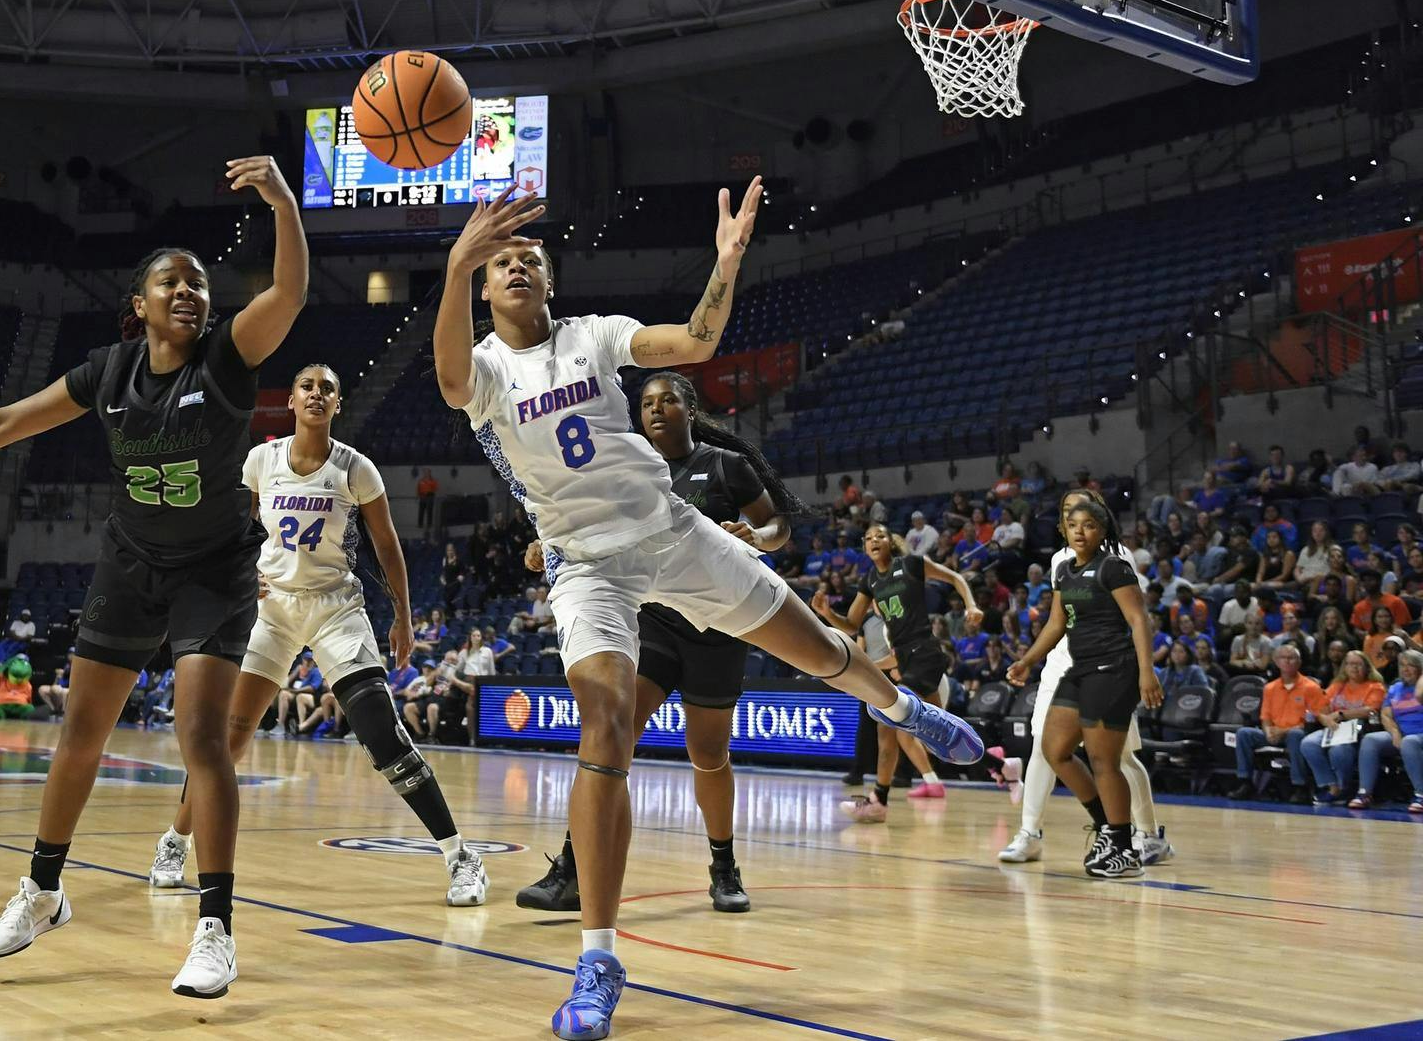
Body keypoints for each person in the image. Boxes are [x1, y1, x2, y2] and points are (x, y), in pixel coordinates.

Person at [431, 184, 980, 1041]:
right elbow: (449, 376)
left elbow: (695, 340)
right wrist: (459, 258)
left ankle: (905, 707)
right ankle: (599, 961)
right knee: (605, 725)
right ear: (483, 286)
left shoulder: (594, 336)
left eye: (529, 257)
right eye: (502, 262)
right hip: (588, 569)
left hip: (672, 534)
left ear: (550, 281)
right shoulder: (488, 369)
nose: (518, 264)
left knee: (819, 648)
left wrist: (725, 263)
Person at [0, 155, 304, 999]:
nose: (190, 292)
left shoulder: (225, 357)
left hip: (212, 573)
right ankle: (41, 889)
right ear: (138, 305)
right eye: (170, 283)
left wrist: (285, 201)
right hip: (130, 564)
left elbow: (286, 294)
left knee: (203, 741)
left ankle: (214, 927)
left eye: (200, 284)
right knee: (79, 735)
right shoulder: (106, 372)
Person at [998, 489, 1170, 868]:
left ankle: (1128, 845)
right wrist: (1026, 660)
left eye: (1087, 523)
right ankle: (1104, 828)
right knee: (1054, 748)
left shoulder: (1115, 564)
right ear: (1062, 527)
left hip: (1113, 667)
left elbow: (1139, 620)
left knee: (1108, 759)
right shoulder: (1063, 567)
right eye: (1071, 521)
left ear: (1100, 526)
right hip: (1077, 666)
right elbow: (1057, 622)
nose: (1079, 529)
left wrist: (1147, 672)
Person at [816, 522, 983, 821]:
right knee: (936, 736)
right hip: (905, 658)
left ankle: (878, 800)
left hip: (925, 652)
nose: (873, 540)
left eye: (879, 535)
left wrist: (971, 605)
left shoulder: (911, 564)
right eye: (867, 538)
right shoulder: (869, 580)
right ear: (865, 548)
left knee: (888, 720)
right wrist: (828, 615)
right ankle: (999, 765)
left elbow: (955, 577)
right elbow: (852, 625)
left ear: (890, 541)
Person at [1229, 643, 1326, 803]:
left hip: (1298, 733)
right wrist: (1267, 731)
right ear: (1276, 661)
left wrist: (1283, 732)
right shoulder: (1269, 688)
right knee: (1244, 733)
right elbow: (1265, 717)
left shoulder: (1311, 687)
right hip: (1274, 733)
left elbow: (1315, 720)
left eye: (1292, 658)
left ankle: (1299, 787)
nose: (1288, 661)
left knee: (1296, 735)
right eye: (1283, 658)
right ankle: (1245, 782)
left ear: (1299, 662)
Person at [1300, 649, 1385, 805]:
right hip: (1334, 728)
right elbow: (1321, 707)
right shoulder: (1338, 685)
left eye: (1358, 664)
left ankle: (1343, 787)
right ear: (1344, 667)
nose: (1354, 668)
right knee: (1308, 743)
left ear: (1367, 667)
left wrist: (1342, 714)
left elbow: (1370, 710)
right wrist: (1325, 719)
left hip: (1359, 729)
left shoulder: (1375, 686)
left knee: (1338, 750)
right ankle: (1332, 786)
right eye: (1350, 664)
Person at [1354, 649, 1423, 811]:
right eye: (1402, 665)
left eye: (1411, 666)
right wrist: (1394, 732)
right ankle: (1365, 793)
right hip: (1401, 733)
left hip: (1418, 734)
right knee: (1371, 740)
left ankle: (1420, 794)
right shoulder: (1395, 688)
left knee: (1409, 742)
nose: (1405, 669)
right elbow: (1386, 715)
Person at [416, 467, 439, 531]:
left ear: (429, 473)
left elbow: (435, 488)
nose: (426, 473)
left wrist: (430, 493)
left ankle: (429, 524)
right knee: (421, 511)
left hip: (429, 497)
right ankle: (420, 524)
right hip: (422, 497)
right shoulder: (421, 481)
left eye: (427, 472)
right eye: (425, 472)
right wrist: (419, 495)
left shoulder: (433, 481)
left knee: (429, 511)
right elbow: (418, 489)